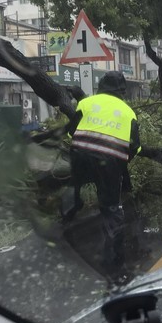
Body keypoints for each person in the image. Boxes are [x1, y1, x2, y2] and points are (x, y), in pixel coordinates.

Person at [63, 71, 141, 279]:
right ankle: (115, 264)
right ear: (123, 91)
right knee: (111, 210)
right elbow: (135, 147)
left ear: (101, 86)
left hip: (80, 155)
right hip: (109, 165)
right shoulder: (129, 113)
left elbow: (71, 132)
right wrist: (120, 161)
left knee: (73, 185)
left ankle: (69, 212)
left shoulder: (86, 103)